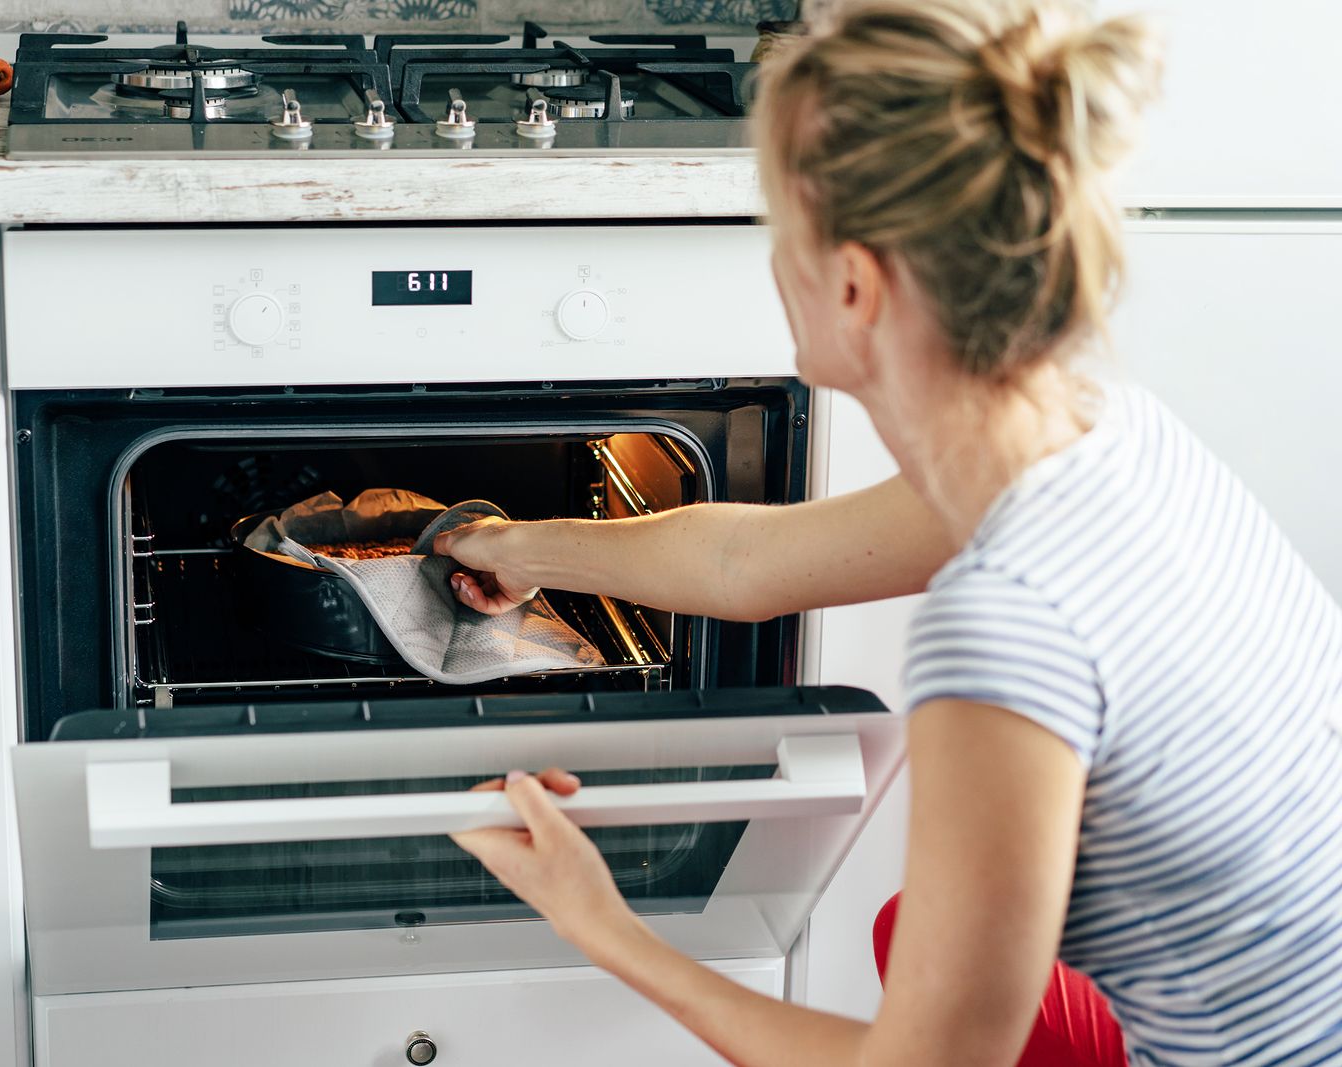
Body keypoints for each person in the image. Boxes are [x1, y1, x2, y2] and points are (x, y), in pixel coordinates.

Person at [432, 1, 1342, 1064]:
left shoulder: (1005, 619)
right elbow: (746, 562)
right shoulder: (1098, 432)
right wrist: (516, 547)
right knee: (912, 923)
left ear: (855, 286)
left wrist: (601, 922)